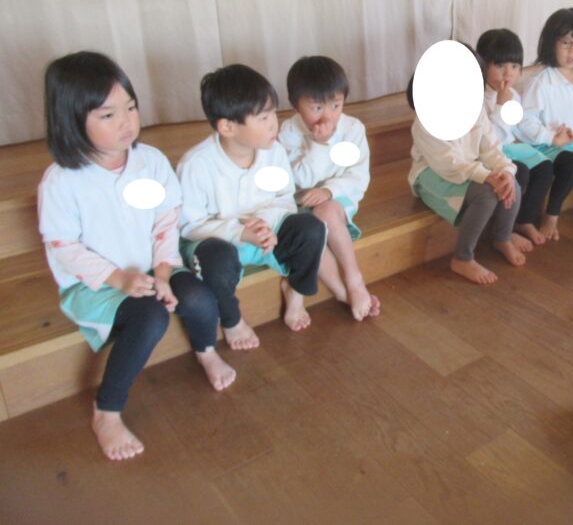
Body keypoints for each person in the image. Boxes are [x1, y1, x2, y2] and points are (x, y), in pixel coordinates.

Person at [38, 52, 235, 461]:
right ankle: (107, 411)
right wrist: (120, 279)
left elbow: (166, 220)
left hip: (154, 265)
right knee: (151, 316)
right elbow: (64, 246)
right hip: (97, 284)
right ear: (71, 120)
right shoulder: (62, 181)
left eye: (130, 107)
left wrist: (163, 271)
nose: (127, 121)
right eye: (108, 115)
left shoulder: (151, 161)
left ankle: (206, 350)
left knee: (198, 297)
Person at [177, 65, 327, 336]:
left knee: (311, 227)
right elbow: (190, 226)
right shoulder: (196, 165)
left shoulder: (274, 152)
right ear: (227, 126)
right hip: (221, 241)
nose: (273, 124)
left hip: (265, 234)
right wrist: (241, 232)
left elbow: (284, 199)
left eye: (273, 113)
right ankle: (232, 320)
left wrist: (263, 224)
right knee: (214, 260)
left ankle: (295, 293)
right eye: (263, 117)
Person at [406, 58, 530, 285]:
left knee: (511, 183)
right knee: (486, 195)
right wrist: (486, 176)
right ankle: (462, 258)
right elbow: (447, 162)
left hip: (467, 168)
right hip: (431, 173)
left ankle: (503, 237)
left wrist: (504, 170)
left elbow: (491, 147)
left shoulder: (475, 110)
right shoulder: (426, 121)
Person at [278, 55, 380, 321]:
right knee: (310, 235)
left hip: (339, 200)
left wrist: (329, 191)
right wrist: (319, 145)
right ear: (295, 105)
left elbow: (358, 176)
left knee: (324, 212)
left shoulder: (352, 128)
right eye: (316, 107)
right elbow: (299, 179)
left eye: (336, 105)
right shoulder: (289, 131)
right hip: (300, 204)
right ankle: (342, 293)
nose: (328, 115)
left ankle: (354, 280)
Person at [517, 8, 573, 240]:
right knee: (562, 167)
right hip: (541, 146)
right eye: (565, 43)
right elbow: (524, 121)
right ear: (551, 42)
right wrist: (551, 138)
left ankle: (554, 213)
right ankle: (529, 219)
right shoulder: (541, 82)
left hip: (570, 145)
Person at [477, 28, 555, 246]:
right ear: (482, 64)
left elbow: (518, 127)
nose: (507, 73)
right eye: (500, 65)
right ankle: (505, 230)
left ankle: (524, 219)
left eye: (514, 66)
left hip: (510, 146)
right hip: (489, 151)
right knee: (520, 172)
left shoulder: (514, 94)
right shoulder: (478, 97)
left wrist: (548, 133)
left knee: (545, 167)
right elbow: (489, 138)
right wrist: (501, 104)